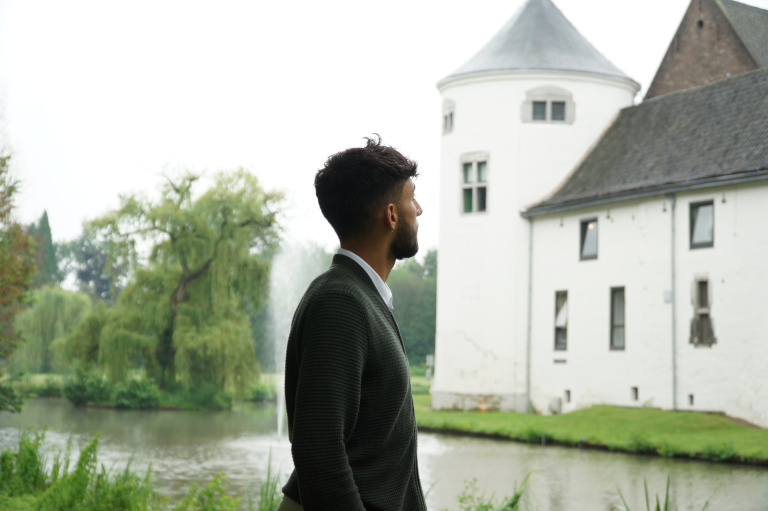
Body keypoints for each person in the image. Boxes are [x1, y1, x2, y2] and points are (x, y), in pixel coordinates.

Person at [277, 136, 428, 511]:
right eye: (412, 198)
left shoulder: (363, 297)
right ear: (391, 215)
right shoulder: (341, 303)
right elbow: (318, 448)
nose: (420, 210)